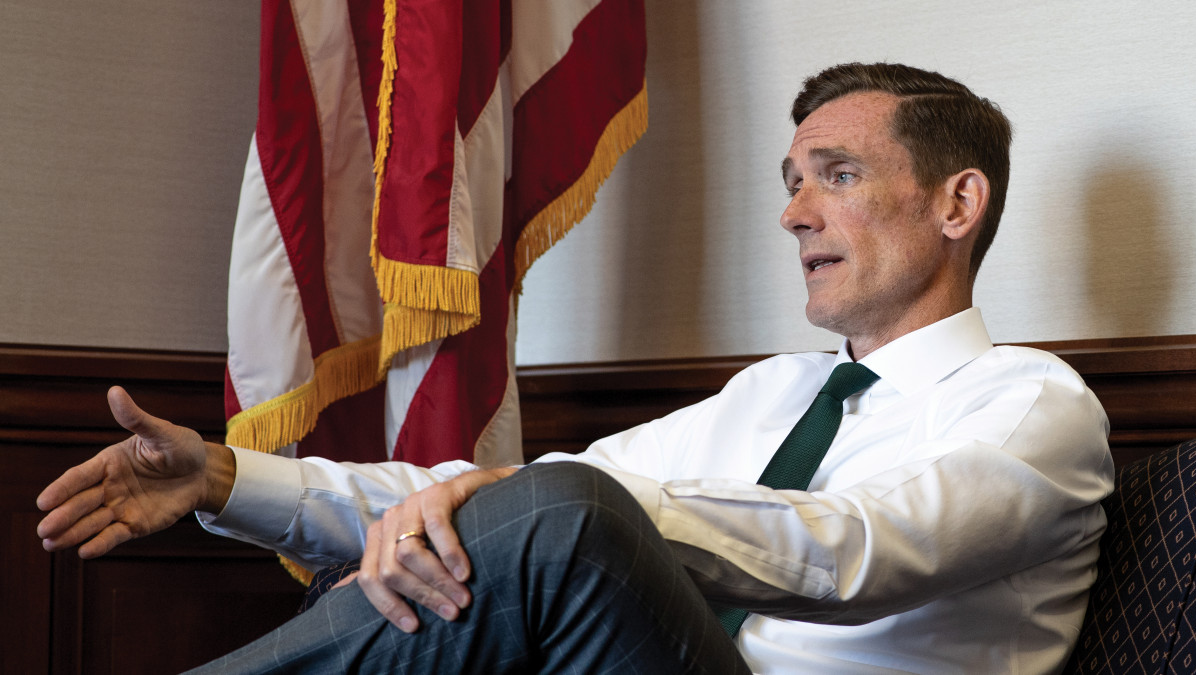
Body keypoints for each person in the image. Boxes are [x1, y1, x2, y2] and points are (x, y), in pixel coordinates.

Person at [36, 62, 1113, 674]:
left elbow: (863, 553)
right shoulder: (773, 394)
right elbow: (505, 506)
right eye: (791, 182)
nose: (793, 214)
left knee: (558, 515)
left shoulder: (1035, 407)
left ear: (957, 205)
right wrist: (230, 480)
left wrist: (553, 503)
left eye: (836, 175)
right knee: (491, 540)